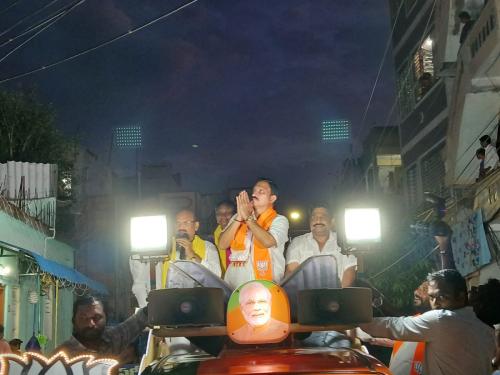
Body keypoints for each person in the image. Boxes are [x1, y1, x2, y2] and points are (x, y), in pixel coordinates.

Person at [359, 269, 496, 375]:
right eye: (431, 297)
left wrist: (354, 317)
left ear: (461, 296)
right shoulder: (486, 331)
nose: (435, 303)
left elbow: (392, 325)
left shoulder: (442, 319)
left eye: (442, 296)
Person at [219, 178, 289, 289]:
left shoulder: (279, 220)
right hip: (234, 287)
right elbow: (222, 244)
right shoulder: (238, 218)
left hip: (266, 287)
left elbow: (268, 241)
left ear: (272, 198)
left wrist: (248, 217)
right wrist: (239, 217)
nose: (255, 194)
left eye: (261, 191)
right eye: (254, 191)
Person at [54, 296, 147, 362]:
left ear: (106, 318)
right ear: (73, 321)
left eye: (97, 317)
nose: (90, 324)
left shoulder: (112, 337)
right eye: (83, 318)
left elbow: (138, 321)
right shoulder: (61, 356)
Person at [285, 206, 357, 287]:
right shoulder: (297, 242)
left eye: (323, 217)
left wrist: (339, 296)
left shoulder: (345, 242)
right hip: (305, 296)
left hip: (337, 296)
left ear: (332, 221)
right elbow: (292, 273)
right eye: (314, 217)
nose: (318, 220)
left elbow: (349, 271)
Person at [162, 209, 221, 286]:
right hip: (169, 295)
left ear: (196, 226)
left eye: (186, 223)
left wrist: (193, 255)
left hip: (198, 296)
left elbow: (217, 275)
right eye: (178, 223)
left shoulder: (208, 247)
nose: (181, 227)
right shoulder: (165, 246)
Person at [213, 200, 236, 275]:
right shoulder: (216, 233)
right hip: (224, 277)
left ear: (235, 215)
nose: (223, 216)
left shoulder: (242, 231)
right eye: (219, 214)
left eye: (228, 213)